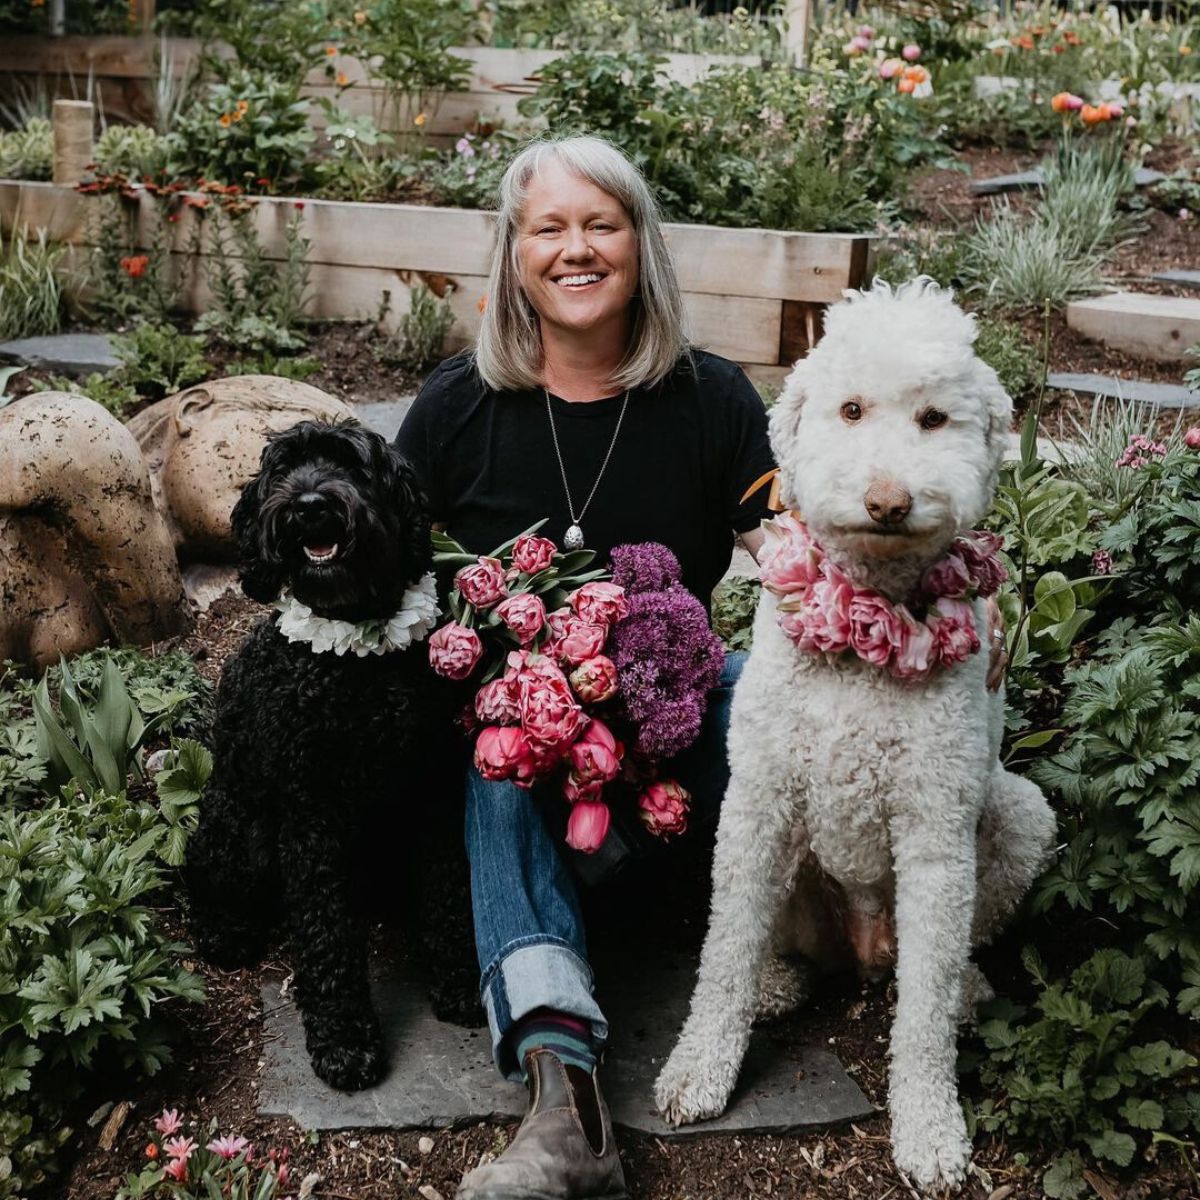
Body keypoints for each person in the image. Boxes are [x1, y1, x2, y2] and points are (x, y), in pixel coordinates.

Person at [395, 133, 1006, 1200]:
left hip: (667, 732)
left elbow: (797, 539)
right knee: (498, 766)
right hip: (528, 742)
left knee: (759, 694)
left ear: (640, 246)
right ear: (513, 254)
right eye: (549, 228)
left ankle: (635, 895)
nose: (575, 249)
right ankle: (565, 1100)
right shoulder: (454, 410)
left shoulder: (709, 399)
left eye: (602, 224)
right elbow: (388, 575)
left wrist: (926, 592)